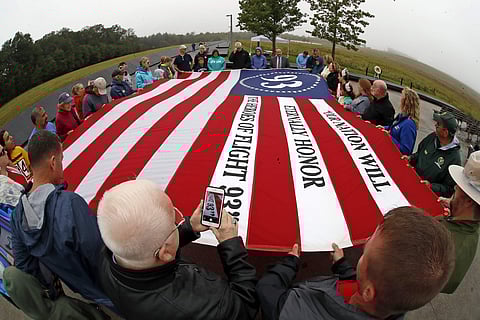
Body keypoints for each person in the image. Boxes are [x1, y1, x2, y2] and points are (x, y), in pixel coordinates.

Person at [96, 180, 258, 320]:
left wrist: (188, 228)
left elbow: (146, 244)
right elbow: (246, 306)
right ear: (165, 253)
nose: (180, 220)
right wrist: (231, 245)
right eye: (175, 222)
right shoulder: (204, 306)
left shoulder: (111, 256)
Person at [257, 206, 455, 320]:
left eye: (365, 253)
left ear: (368, 292)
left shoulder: (297, 312)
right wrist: (342, 266)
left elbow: (267, 290)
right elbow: (364, 282)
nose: (365, 243)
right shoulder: (391, 298)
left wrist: (289, 264)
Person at [10, 130, 114, 309]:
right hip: (113, 292)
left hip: (84, 294)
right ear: (52, 162)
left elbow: (26, 267)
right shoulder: (70, 204)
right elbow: (101, 257)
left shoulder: (17, 218)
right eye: (61, 159)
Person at [436, 151, 480, 294]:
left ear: (468, 200)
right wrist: (454, 205)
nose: (454, 189)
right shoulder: (470, 223)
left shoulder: (447, 245)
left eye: (458, 188)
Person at [404, 111, 461, 197]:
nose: (435, 125)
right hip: (411, 181)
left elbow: (449, 189)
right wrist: (410, 158)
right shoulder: (432, 137)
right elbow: (419, 153)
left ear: (445, 132)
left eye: (438, 124)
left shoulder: (454, 159)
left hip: (424, 195)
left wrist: (431, 186)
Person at [383, 87, 420, 155]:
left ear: (406, 102)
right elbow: (393, 127)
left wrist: (389, 137)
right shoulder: (402, 116)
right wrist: (384, 128)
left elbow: (405, 150)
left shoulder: (409, 125)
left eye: (401, 98)